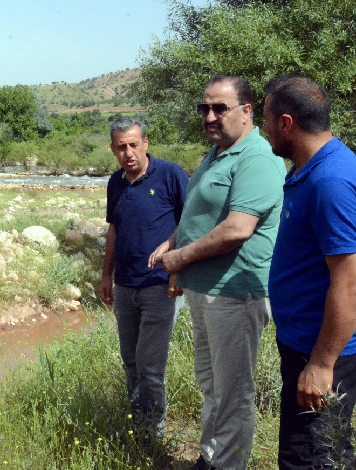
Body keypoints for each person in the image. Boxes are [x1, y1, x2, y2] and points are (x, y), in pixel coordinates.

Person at [148, 75, 286, 470]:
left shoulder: (257, 158)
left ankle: (228, 465)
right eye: (203, 108)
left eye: (219, 108)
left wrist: (182, 258)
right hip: (205, 289)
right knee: (211, 383)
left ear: (247, 111)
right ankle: (211, 458)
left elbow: (238, 228)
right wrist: (174, 241)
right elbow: (202, 212)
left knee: (233, 392)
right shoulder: (218, 152)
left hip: (235, 291)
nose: (209, 117)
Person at [264, 76, 356, 469]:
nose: (262, 130)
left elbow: (349, 280)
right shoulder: (313, 169)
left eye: (266, 120)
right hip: (305, 344)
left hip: (325, 353)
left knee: (319, 457)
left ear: (286, 123)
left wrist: (321, 364)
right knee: (308, 451)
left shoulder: (330, 180)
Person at [99, 116, 188, 436]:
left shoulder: (171, 175)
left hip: (158, 286)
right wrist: (105, 275)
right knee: (131, 361)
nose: (128, 153)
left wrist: (173, 254)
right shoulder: (115, 183)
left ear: (146, 143)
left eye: (134, 145)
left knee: (151, 365)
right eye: (121, 147)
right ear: (112, 149)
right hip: (124, 286)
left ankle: (154, 432)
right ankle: (137, 423)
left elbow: (191, 222)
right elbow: (114, 229)